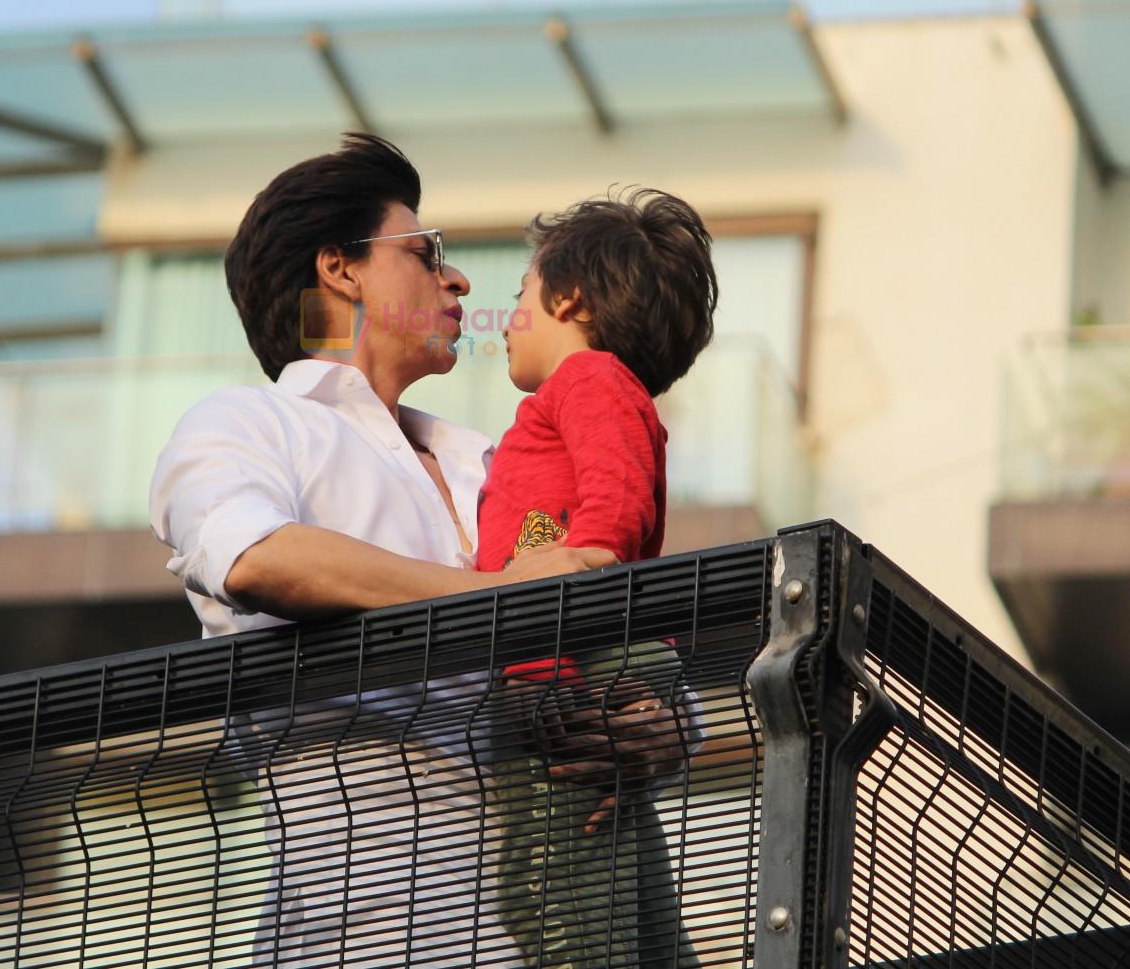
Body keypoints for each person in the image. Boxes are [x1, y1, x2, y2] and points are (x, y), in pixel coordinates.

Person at [149, 135, 692, 968]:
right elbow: (253, 556)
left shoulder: (495, 455)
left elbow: (618, 615)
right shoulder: (249, 426)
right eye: (426, 252)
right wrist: (503, 601)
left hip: (557, 929)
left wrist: (662, 727)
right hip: (363, 938)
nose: (460, 280)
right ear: (343, 269)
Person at [475, 189, 718, 969]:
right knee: (620, 872)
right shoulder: (601, 390)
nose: (507, 318)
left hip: (566, 666)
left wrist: (589, 557)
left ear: (567, 295)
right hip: (590, 664)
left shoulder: (588, 380)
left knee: (552, 891)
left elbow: (614, 496)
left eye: (519, 298)